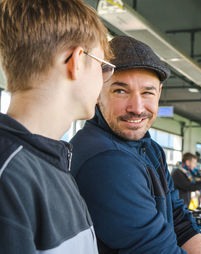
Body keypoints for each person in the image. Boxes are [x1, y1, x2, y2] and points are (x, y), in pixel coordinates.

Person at [70, 35, 201, 253]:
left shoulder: (150, 148)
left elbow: (180, 220)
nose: (136, 107)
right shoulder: (105, 161)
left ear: (159, 93)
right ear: (98, 93)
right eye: (121, 91)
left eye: (147, 92)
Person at [0, 0, 112, 253]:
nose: (104, 81)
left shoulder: (52, 161)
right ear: (76, 60)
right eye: (102, 67)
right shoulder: (10, 176)